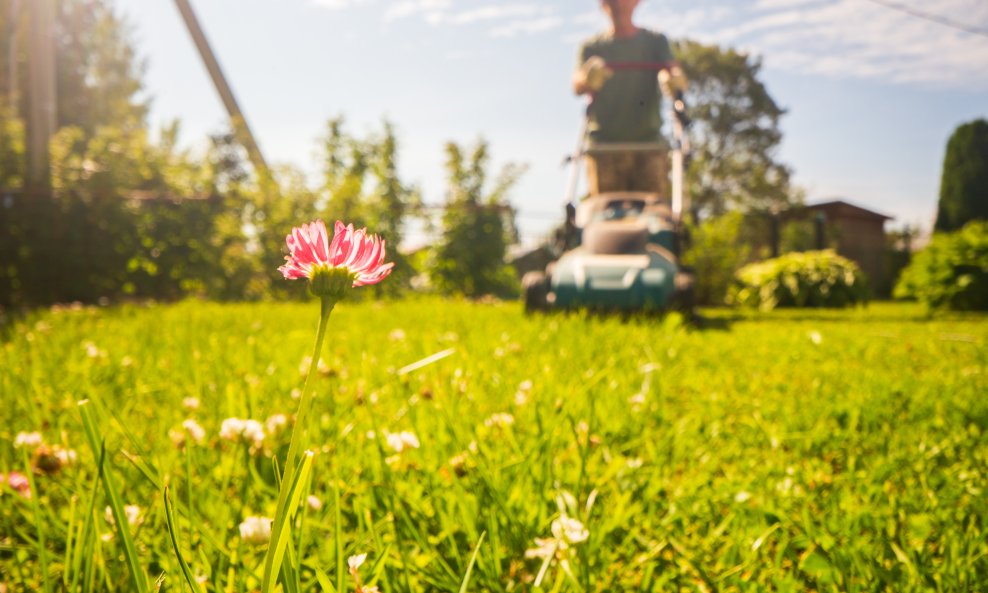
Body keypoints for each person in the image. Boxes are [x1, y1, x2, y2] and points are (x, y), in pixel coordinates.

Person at [572, 0, 687, 197]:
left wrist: (674, 79)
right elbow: (577, 85)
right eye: (611, 1)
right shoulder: (592, 47)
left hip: (649, 146)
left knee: (654, 214)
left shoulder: (655, 41)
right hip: (604, 149)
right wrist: (587, 77)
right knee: (605, 213)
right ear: (603, 5)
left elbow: (673, 70)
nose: (617, 5)